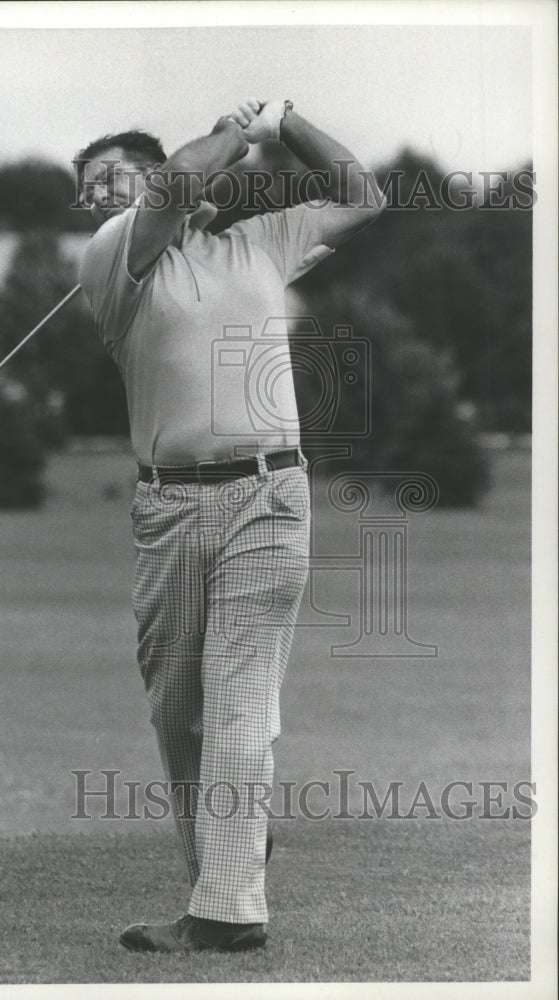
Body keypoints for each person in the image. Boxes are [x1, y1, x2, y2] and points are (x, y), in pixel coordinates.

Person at [77, 98, 384, 953]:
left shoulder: (260, 243)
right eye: (89, 187)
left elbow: (363, 192)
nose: (99, 195)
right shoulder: (111, 258)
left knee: (241, 701)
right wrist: (229, 138)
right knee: (179, 713)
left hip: (268, 495)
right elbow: (175, 183)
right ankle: (228, 850)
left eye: (113, 177)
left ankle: (226, 907)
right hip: (168, 506)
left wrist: (285, 124)